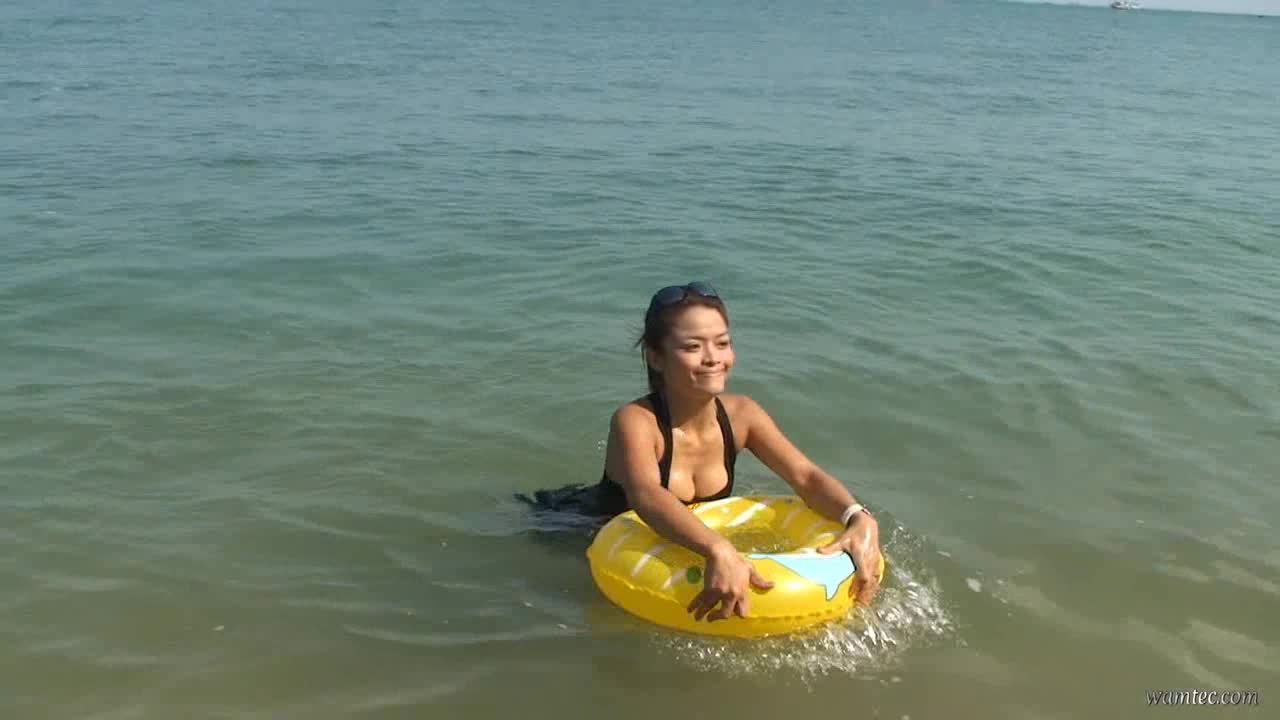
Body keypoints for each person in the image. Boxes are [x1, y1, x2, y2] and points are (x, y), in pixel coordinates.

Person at [518, 281, 883, 623]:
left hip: (681, 541)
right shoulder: (636, 421)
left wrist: (857, 516)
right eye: (693, 347)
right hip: (581, 527)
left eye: (722, 343)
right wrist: (719, 549)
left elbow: (805, 476)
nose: (713, 358)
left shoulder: (742, 415)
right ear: (656, 357)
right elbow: (647, 496)